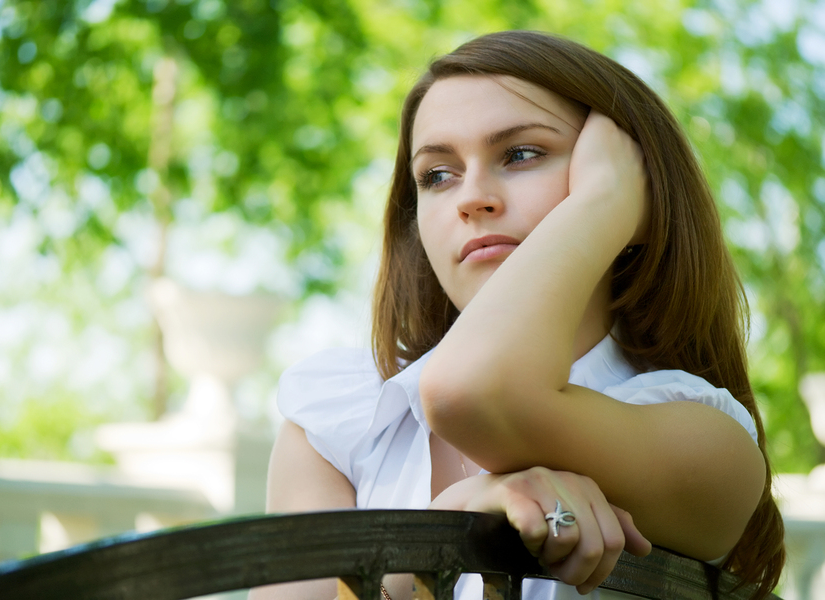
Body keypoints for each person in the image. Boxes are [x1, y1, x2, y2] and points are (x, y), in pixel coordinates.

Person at [249, 30, 785, 600]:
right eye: (436, 174)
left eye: (522, 154)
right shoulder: (338, 418)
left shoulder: (707, 437)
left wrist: (606, 200)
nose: (470, 197)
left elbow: (476, 392)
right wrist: (443, 531)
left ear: (636, 198)